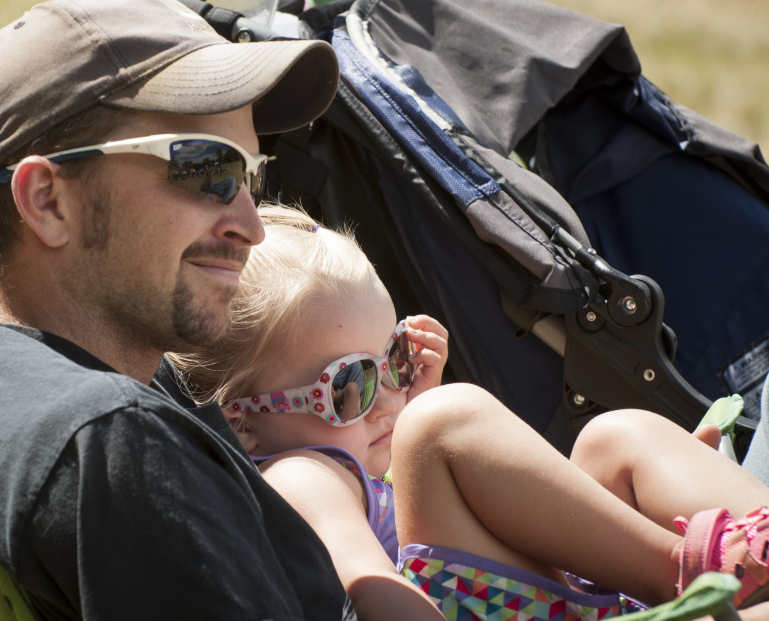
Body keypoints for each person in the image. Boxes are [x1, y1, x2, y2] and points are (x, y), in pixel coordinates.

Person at [0, 0, 355, 619]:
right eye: (204, 166)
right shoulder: (111, 445)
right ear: (47, 200)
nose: (252, 223)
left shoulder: (11, 384)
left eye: (250, 174)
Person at [171, 203, 769, 621]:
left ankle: (738, 543)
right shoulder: (300, 475)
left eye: (394, 356)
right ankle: (687, 568)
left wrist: (417, 406)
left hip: (543, 596)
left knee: (613, 437)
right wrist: (427, 428)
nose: (386, 398)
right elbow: (368, 587)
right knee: (444, 423)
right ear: (243, 423)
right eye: (350, 384)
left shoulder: (360, 453)